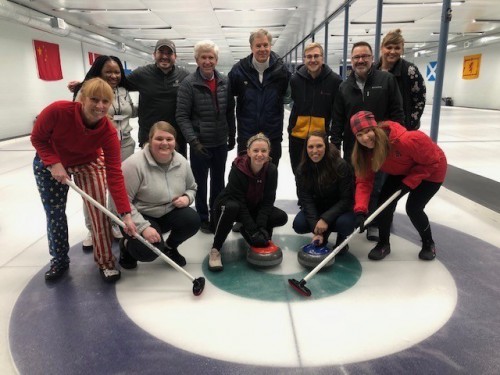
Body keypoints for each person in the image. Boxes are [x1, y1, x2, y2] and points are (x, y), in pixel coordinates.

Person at [31, 77, 137, 282]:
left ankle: (106, 262)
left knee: (98, 211)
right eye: (94, 99)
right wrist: (53, 162)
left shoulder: (108, 132)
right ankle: (59, 260)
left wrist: (125, 214)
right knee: (55, 214)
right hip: (50, 162)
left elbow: (114, 174)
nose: (100, 106)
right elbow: (38, 138)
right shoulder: (58, 111)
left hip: (87, 162)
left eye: (105, 101)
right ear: (82, 98)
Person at [331, 41, 405, 242]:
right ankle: (358, 217)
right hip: (354, 148)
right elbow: (337, 119)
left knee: (378, 186)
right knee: (357, 184)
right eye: (356, 57)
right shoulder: (344, 87)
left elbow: (397, 113)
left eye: (364, 56)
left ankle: (375, 222)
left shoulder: (386, 80)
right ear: (351, 61)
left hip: (381, 146)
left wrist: (394, 141)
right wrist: (335, 145)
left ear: (373, 58)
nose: (360, 60)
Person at [350, 111, 447, 261]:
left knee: (414, 208)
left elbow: (433, 161)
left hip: (432, 170)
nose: (365, 138)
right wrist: (360, 211)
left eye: (368, 131)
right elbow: (364, 182)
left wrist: (409, 182)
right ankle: (383, 244)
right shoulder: (365, 153)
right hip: (402, 170)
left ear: (375, 128)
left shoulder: (407, 140)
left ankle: (428, 243)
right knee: (384, 203)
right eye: (359, 135)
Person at [68, 39, 189, 155]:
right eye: (161, 52)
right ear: (154, 54)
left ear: (175, 57)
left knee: (177, 170)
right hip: (148, 135)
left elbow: (120, 86)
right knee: (148, 173)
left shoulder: (184, 75)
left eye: (169, 53)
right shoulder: (142, 73)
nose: (165, 56)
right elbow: (118, 81)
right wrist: (84, 84)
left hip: (176, 135)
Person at [73, 55, 138, 248]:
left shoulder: (125, 90)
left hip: (125, 143)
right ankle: (93, 229)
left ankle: (114, 222)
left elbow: (131, 111)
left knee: (117, 187)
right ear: (99, 71)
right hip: (97, 146)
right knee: (95, 190)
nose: (113, 75)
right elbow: (78, 114)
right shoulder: (87, 90)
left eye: (117, 71)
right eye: (108, 71)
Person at [118, 121, 200, 270]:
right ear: (149, 140)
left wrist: (187, 198)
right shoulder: (133, 165)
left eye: (169, 139)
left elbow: (192, 188)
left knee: (192, 220)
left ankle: (170, 247)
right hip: (140, 215)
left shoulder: (181, 162)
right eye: (159, 139)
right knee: (149, 251)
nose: (164, 143)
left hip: (168, 211)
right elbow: (121, 202)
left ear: (175, 141)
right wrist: (143, 228)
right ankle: (126, 246)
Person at [176, 40, 235, 234]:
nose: (207, 61)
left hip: (219, 142)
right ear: (197, 59)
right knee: (200, 183)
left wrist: (232, 134)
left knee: (219, 182)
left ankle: (216, 214)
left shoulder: (225, 81)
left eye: (211, 57)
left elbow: (229, 110)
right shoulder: (188, 84)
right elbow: (182, 116)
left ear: (216, 59)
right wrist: (193, 141)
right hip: (200, 143)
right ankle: (203, 217)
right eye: (203, 57)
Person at [207, 133, 288, 272]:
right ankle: (215, 249)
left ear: (269, 152)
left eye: (263, 151)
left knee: (280, 216)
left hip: (252, 206)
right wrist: (253, 230)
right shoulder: (238, 169)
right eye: (255, 150)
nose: (259, 154)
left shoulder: (271, 170)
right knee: (233, 207)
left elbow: (268, 201)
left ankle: (247, 229)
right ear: (248, 151)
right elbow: (240, 204)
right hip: (230, 205)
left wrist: (261, 227)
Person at [228, 28, 291, 167]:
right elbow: (227, 101)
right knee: (244, 177)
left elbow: (287, 97)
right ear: (251, 47)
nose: (262, 49)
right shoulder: (238, 71)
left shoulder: (281, 71)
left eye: (265, 45)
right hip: (247, 135)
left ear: (270, 46)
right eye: (258, 46)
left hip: (272, 135)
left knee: (270, 176)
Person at [293, 131, 355, 254]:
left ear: (326, 146)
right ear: (306, 149)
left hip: (338, 210)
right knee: (299, 225)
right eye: (310, 147)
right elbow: (306, 200)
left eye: (319, 146)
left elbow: (347, 199)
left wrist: (325, 219)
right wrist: (316, 229)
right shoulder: (302, 169)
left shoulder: (340, 165)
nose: (315, 151)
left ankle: (341, 239)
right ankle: (322, 235)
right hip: (318, 208)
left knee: (345, 225)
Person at [288, 42, 342, 175]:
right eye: (309, 56)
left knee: (320, 175)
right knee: (299, 174)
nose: (313, 60)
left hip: (320, 139)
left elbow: (338, 113)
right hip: (297, 138)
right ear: (304, 59)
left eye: (316, 56)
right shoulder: (295, 80)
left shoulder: (334, 81)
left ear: (322, 58)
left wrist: (335, 141)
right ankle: (302, 197)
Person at [374, 29, 426, 130]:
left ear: (402, 50)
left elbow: (420, 100)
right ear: (381, 48)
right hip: (378, 128)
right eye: (389, 47)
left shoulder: (410, 71)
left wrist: (410, 125)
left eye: (397, 48)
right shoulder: (373, 71)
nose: (392, 52)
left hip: (402, 128)